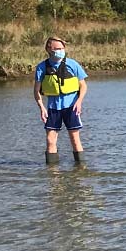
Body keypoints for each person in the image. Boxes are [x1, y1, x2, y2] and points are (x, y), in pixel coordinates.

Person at [33, 37, 89, 165]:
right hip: (53, 108)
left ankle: (80, 170)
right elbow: (36, 91)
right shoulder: (42, 67)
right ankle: (53, 175)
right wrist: (41, 107)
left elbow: (83, 86)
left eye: (62, 48)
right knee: (50, 140)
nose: (60, 51)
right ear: (49, 49)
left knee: (75, 139)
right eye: (57, 48)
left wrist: (79, 101)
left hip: (72, 107)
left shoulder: (73, 64)